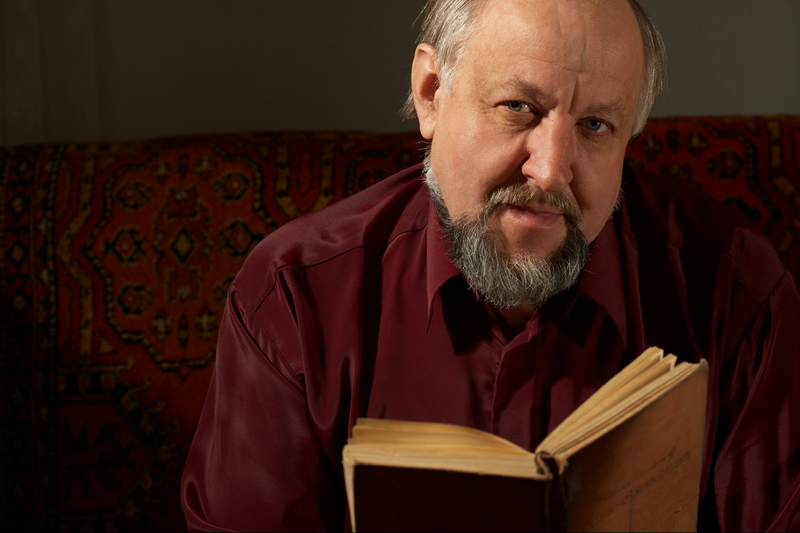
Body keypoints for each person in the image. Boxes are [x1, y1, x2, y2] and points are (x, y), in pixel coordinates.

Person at [181, 0, 800, 530]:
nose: (552, 169)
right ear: (430, 93)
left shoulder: (738, 292)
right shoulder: (292, 297)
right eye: (518, 108)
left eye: (595, 125)